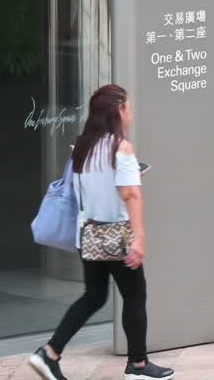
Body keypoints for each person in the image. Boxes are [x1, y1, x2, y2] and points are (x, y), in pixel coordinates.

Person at [29, 85, 174, 380]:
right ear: (118, 111)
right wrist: (140, 238)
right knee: (135, 296)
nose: (131, 113)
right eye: (128, 107)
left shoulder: (82, 146)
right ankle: (139, 365)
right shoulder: (121, 148)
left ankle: (51, 352)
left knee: (94, 296)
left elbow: (93, 188)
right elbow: (130, 195)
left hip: (88, 236)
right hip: (116, 236)